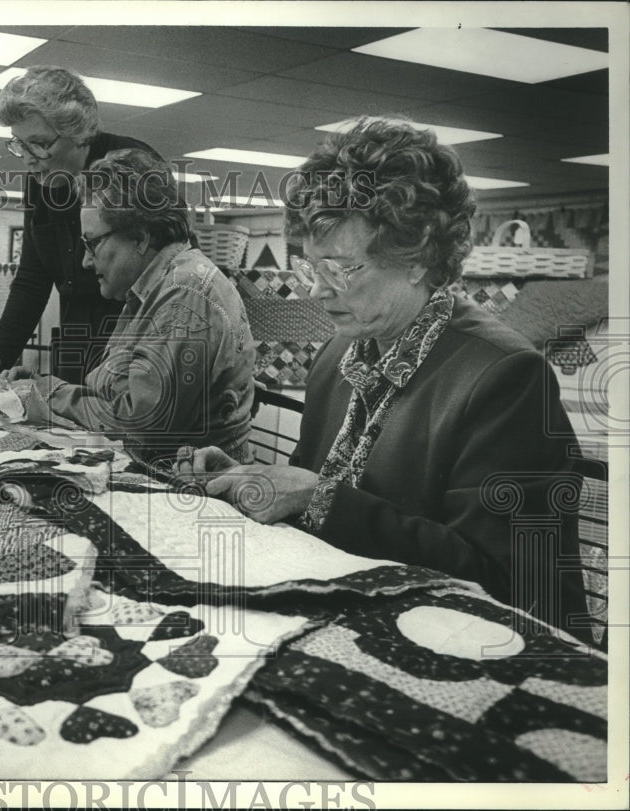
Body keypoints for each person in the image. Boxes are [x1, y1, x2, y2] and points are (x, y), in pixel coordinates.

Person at [175, 118, 589, 639]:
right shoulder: (338, 354)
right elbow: (318, 495)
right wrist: (250, 480)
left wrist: (318, 498)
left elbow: (513, 587)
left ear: (416, 256)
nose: (317, 293)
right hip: (364, 620)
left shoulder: (507, 375)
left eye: (341, 270)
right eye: (311, 268)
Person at [19, 148, 256, 466]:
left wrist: (50, 391)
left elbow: (136, 428)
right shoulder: (163, 285)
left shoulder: (184, 298)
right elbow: (122, 400)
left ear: (141, 238)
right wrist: (43, 385)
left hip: (193, 488)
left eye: (91, 244)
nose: (86, 261)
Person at [0, 66, 160, 387]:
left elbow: (171, 269)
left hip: (133, 332)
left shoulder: (132, 165)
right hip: (73, 333)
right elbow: (33, 275)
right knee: (65, 427)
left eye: (38, 143)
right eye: (19, 144)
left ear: (80, 133)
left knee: (112, 425)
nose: (27, 158)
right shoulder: (40, 182)